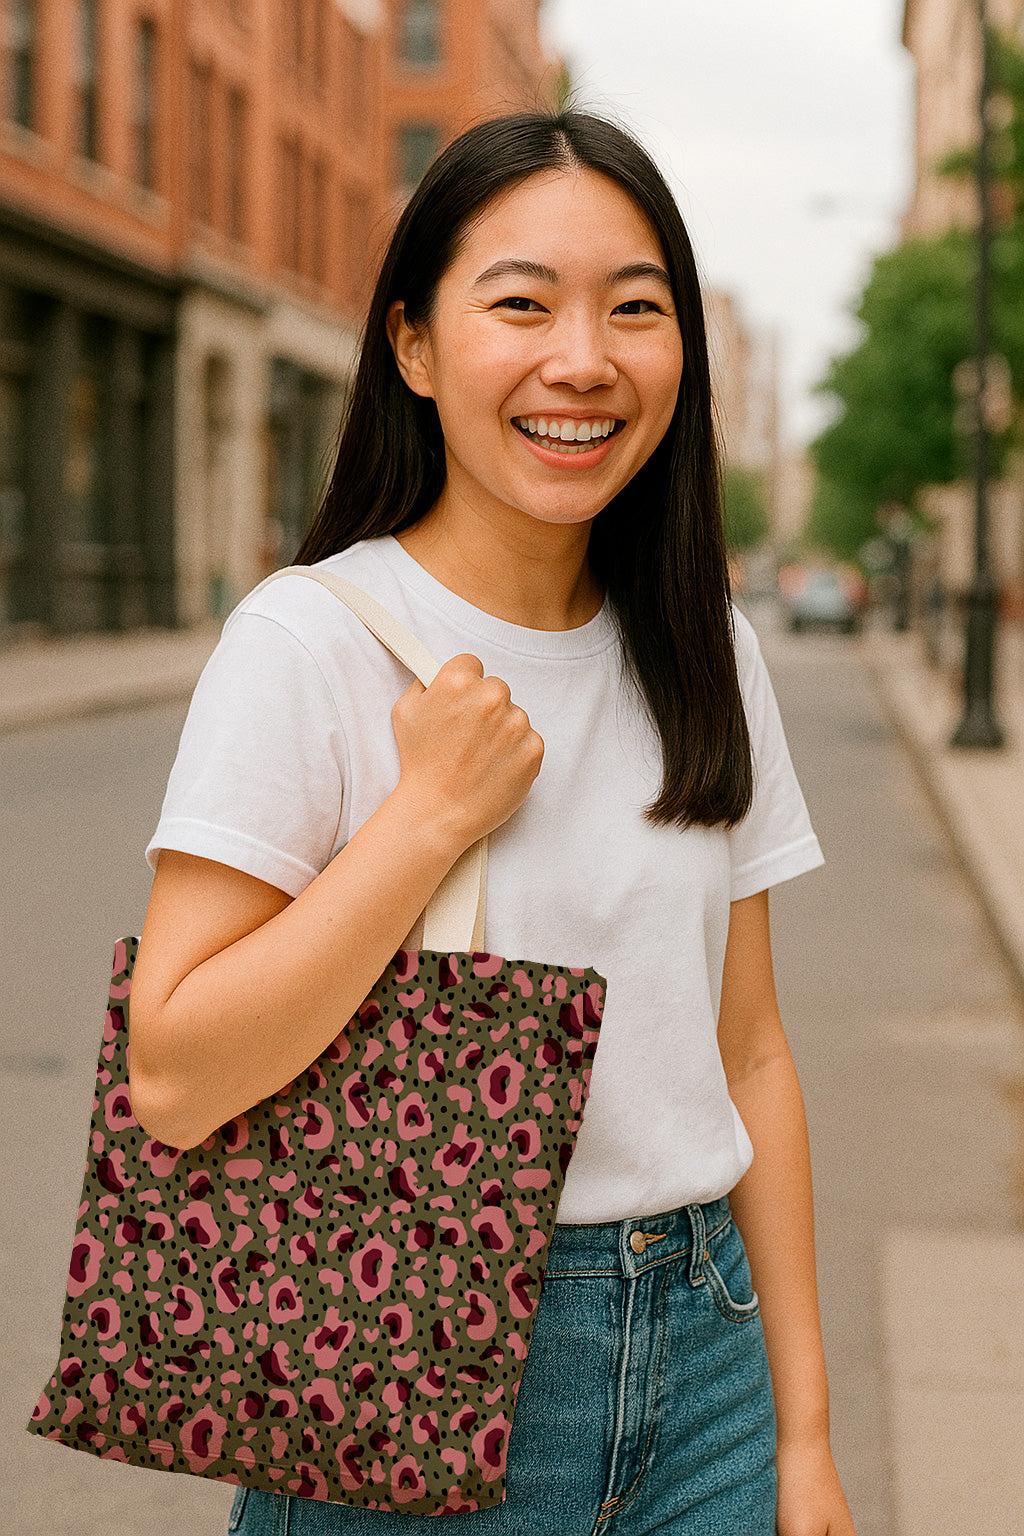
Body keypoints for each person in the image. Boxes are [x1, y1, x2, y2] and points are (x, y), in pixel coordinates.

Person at [129, 111, 855, 1536]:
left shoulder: (704, 643)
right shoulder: (312, 641)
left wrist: (805, 1434)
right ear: (413, 346)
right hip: (414, 1338)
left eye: (634, 311)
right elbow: (175, 1072)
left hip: (705, 1360)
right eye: (520, 303)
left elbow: (750, 1050)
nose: (581, 360)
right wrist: (423, 822)